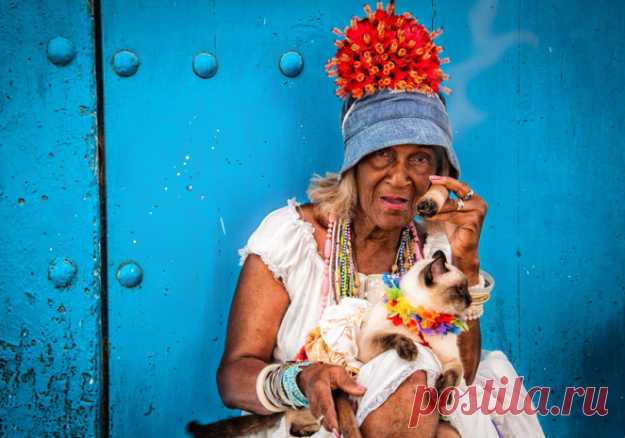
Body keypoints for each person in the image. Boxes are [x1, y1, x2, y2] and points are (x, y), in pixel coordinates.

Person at [217, 3, 545, 437]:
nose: (399, 178)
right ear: (354, 165)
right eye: (382, 155)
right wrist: (302, 380)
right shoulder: (294, 238)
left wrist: (466, 262)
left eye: (419, 159)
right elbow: (234, 378)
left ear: (438, 173)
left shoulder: (435, 251)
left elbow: (462, 378)